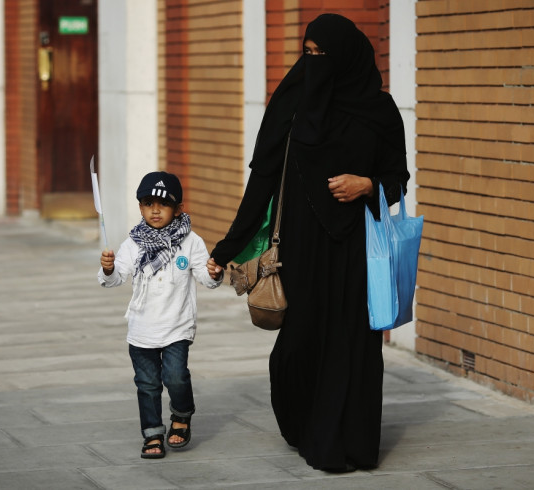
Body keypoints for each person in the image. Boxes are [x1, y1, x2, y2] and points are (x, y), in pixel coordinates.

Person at [207, 13, 410, 472]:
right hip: (301, 248)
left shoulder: (380, 110)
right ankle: (304, 427)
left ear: (348, 56)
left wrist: (367, 185)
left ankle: (352, 444)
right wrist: (225, 249)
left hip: (358, 247)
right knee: (296, 348)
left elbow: (398, 179)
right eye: (309, 53)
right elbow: (260, 185)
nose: (314, 63)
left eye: (324, 55)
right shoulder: (292, 105)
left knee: (353, 347)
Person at [99, 171, 223, 459]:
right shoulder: (134, 243)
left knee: (176, 377)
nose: (155, 210)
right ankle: (152, 434)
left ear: (178, 208)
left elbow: (206, 276)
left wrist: (215, 272)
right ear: (140, 207)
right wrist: (108, 269)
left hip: (177, 326)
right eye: (148, 203)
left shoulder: (191, 242)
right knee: (147, 384)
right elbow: (117, 277)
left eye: (163, 204)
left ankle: (181, 414)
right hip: (141, 329)